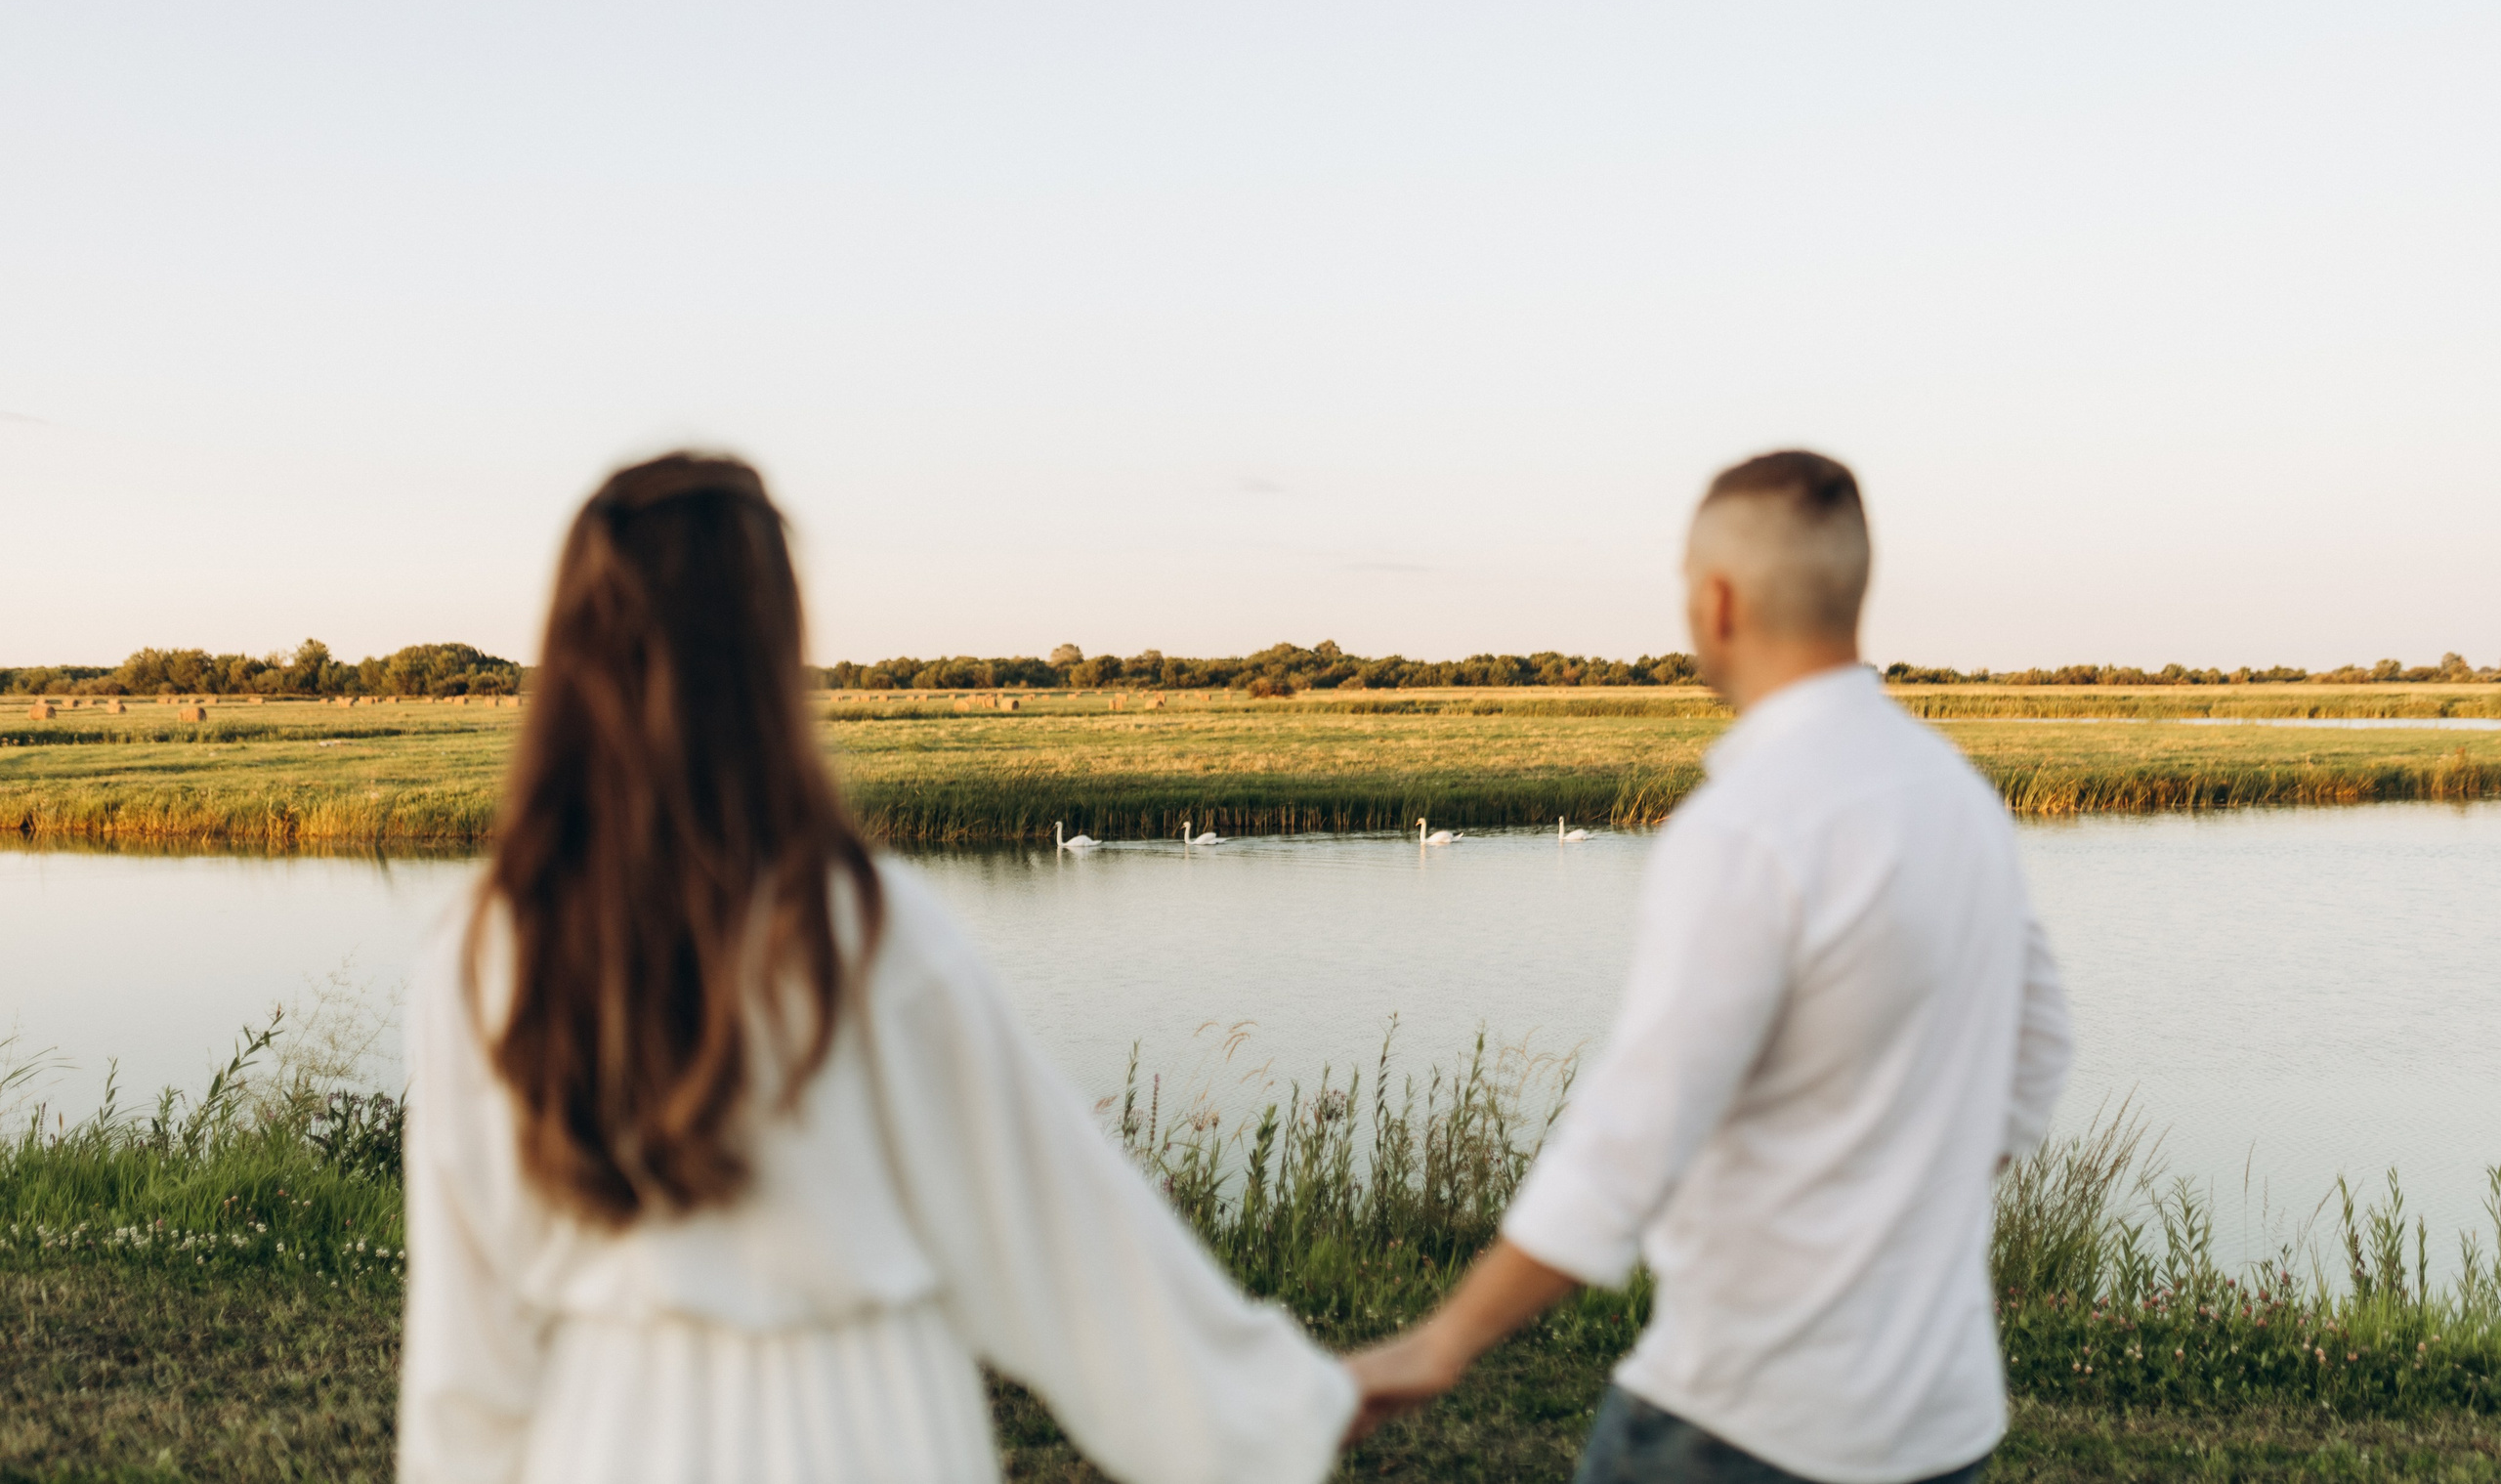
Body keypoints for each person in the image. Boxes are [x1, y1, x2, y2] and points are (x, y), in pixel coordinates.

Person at [399, 453, 1354, 1484]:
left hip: (614, 1435)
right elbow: (1061, 1238)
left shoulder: (484, 952)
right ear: (774, 648)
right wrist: (1281, 1407)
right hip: (866, 1431)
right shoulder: (873, 934)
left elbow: (465, 1353)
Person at [1346, 449, 2072, 1484]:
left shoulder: (1746, 824)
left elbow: (1631, 1135)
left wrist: (1442, 1342)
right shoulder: (1957, 797)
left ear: (1717, 600)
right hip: (1939, 1423)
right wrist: (1902, 1210)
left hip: (1747, 1427)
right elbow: (2040, 1048)